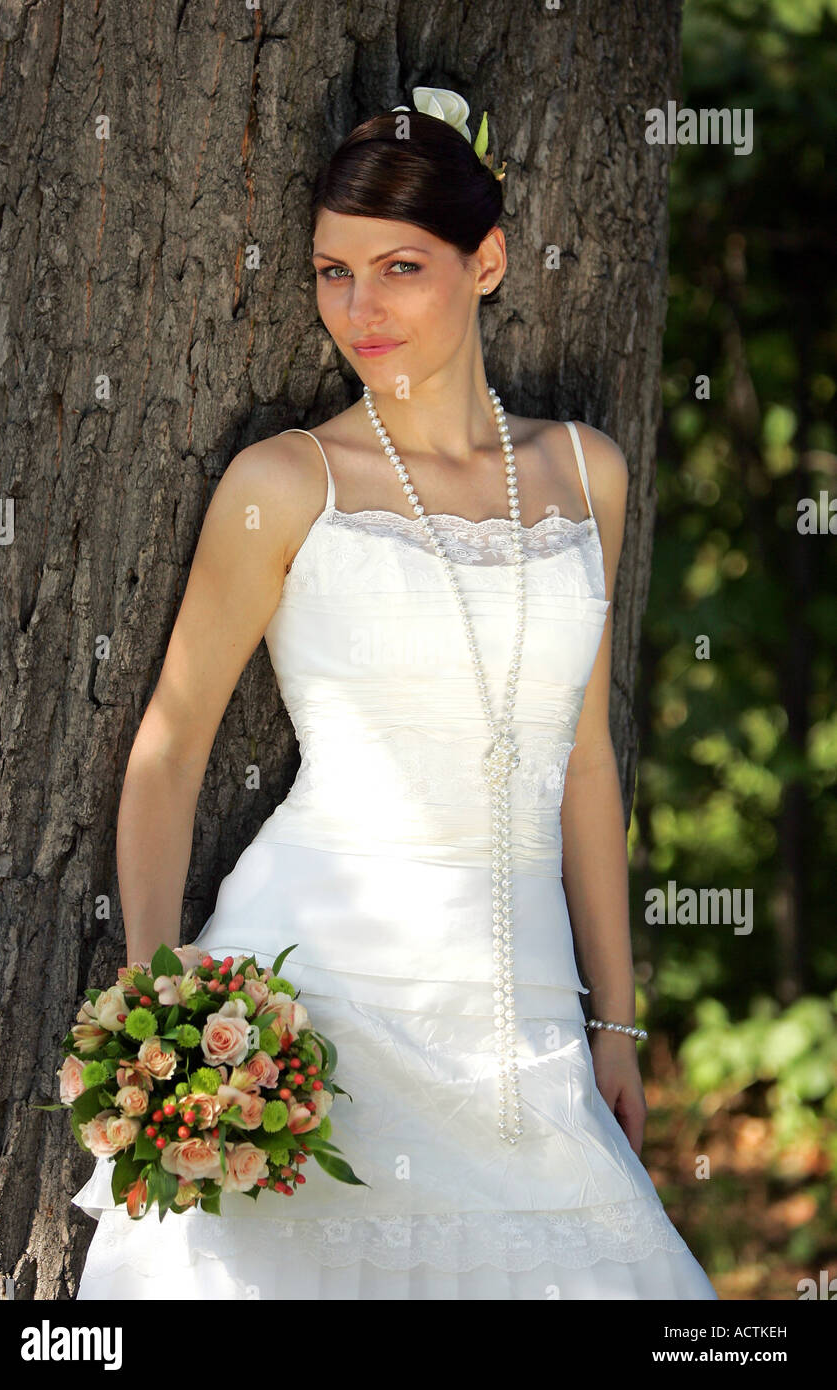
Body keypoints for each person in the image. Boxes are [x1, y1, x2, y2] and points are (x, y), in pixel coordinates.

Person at [72, 89, 718, 1300]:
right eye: (329, 270)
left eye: (399, 268)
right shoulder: (285, 479)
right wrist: (157, 1012)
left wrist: (614, 1025)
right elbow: (170, 745)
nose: (357, 310)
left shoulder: (586, 472)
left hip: (522, 1026)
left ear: (487, 262)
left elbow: (581, 762)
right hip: (318, 999)